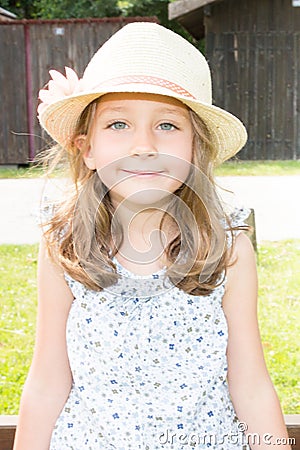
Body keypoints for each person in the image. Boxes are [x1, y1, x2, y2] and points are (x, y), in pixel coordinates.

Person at [13, 22, 291, 450]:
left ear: (195, 148)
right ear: (87, 148)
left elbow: (251, 386)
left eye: (167, 126)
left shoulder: (227, 250)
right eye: (119, 124)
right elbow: (48, 382)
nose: (143, 145)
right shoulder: (65, 245)